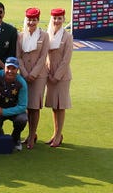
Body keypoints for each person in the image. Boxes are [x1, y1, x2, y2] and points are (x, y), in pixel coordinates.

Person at [17, 7, 50, 149]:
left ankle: (32, 135)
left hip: (39, 76)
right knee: (26, 106)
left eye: (34, 20)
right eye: (29, 20)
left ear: (38, 20)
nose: (31, 22)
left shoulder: (44, 36)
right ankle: (29, 134)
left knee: (35, 107)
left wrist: (34, 74)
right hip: (24, 75)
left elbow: (43, 57)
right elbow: (18, 56)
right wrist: (24, 73)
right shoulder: (20, 36)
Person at [45, 8, 72, 148]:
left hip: (62, 77)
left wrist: (56, 76)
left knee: (60, 106)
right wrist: (48, 74)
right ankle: (56, 134)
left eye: (60, 18)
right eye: (55, 18)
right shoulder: (48, 34)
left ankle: (58, 135)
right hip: (50, 75)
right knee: (54, 107)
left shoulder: (67, 37)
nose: (57, 21)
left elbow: (66, 60)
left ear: (63, 19)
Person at [0, 57, 28, 152]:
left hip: (14, 110)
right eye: (8, 68)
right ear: (4, 68)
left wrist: (3, 112)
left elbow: (23, 106)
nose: (10, 71)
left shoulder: (21, 83)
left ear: (17, 69)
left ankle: (16, 138)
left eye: (13, 68)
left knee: (22, 119)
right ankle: (0, 135)